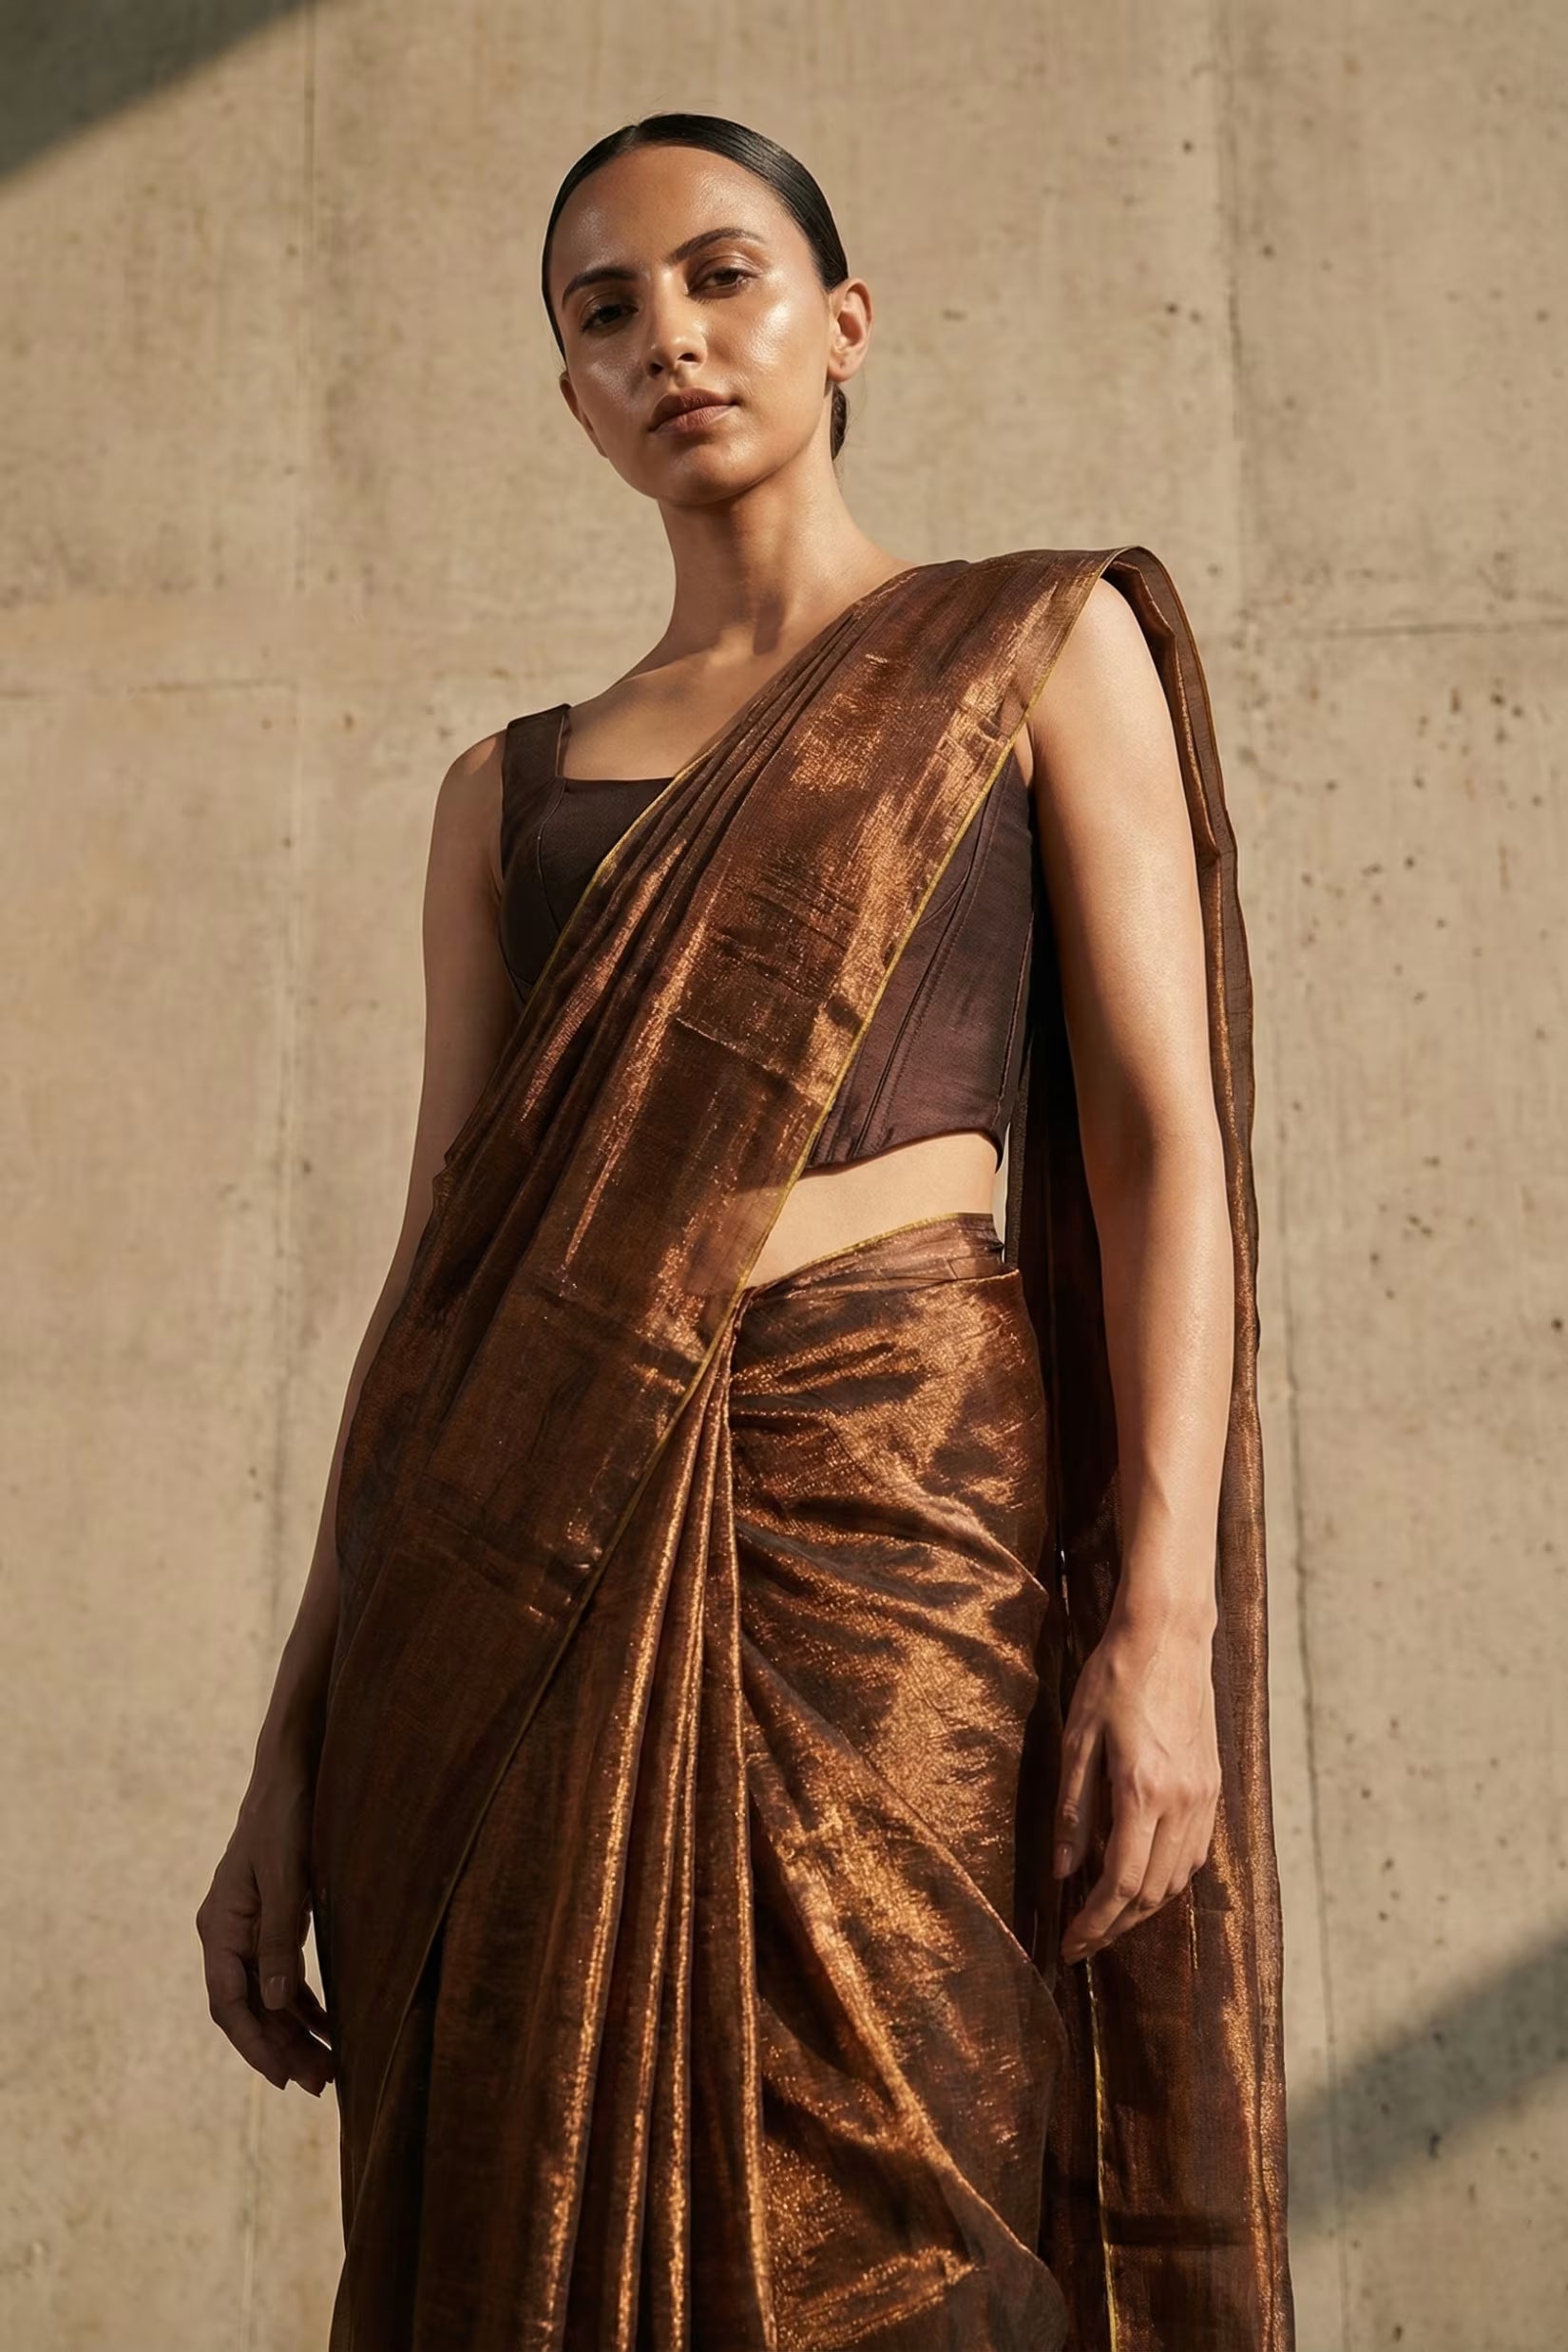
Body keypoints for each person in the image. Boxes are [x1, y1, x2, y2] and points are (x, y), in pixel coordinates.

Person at [197, 111, 1293, 2351]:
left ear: (842, 321)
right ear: (571, 391)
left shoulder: (1024, 649)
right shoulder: (505, 791)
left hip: (889, 1535)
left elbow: (1161, 1150)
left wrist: (1159, 1613)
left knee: (917, 2212)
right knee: (526, 2201)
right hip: (502, 1595)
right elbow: (436, 1281)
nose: (672, 337)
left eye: (724, 276)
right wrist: (288, 1743)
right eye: (605, 311)